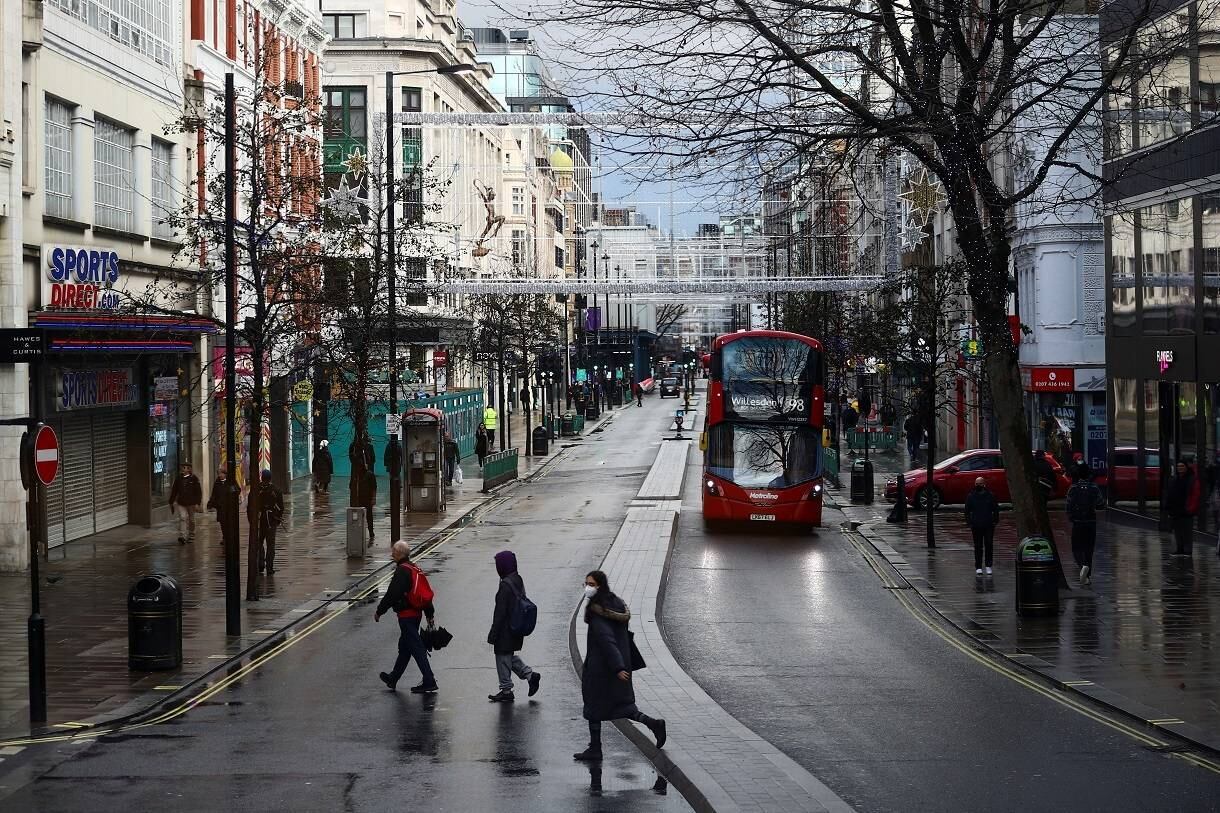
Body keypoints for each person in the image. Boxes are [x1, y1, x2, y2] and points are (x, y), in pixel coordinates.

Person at [574, 570, 666, 761]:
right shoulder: (615, 603)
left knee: (594, 706)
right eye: (586, 584)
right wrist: (621, 665)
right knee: (622, 706)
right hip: (617, 666)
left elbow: (606, 640)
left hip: (602, 669)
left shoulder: (598, 611)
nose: (587, 588)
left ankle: (595, 749)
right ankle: (653, 724)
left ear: (600, 586)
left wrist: (618, 667)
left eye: (591, 584)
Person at [375, 540, 438, 693]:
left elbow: (392, 594)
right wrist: (429, 614)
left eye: (393, 552)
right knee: (405, 648)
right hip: (416, 614)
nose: (392, 554)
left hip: (406, 616)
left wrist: (379, 611)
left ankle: (429, 680)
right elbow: (424, 593)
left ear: (398, 554)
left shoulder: (402, 571)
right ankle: (393, 678)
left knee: (417, 648)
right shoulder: (414, 568)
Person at [487, 551, 541, 703]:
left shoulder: (505, 585)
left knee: (502, 657)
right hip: (516, 625)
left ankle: (506, 690)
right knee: (508, 657)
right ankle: (530, 675)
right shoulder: (517, 578)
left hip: (506, 629)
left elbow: (499, 613)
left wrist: (493, 634)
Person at [1066, 464, 1105, 585]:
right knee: (1089, 548)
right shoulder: (1094, 487)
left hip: (1078, 522)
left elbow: (1068, 505)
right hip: (1091, 522)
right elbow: (1101, 504)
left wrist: (1071, 517)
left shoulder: (1073, 488)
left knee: (1076, 548)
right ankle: (1087, 576)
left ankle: (1083, 565)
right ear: (1089, 474)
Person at [247, 470, 284, 574]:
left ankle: (261, 564)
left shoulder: (255, 490)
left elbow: (250, 507)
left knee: (259, 543)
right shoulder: (276, 490)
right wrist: (277, 519)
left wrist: (251, 520)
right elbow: (281, 507)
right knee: (270, 545)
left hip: (259, 520)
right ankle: (269, 567)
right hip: (271, 521)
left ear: (261, 477)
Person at [964, 476, 1000, 576]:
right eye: (976, 484)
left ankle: (988, 565)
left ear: (984, 484)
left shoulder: (990, 495)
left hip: (988, 524)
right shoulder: (971, 496)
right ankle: (978, 567)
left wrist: (995, 521)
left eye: (979, 484)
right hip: (976, 525)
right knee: (978, 546)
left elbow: (995, 509)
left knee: (989, 545)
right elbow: (967, 511)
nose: (978, 486)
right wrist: (969, 522)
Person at [1166, 460, 1201, 558]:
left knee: (1187, 531)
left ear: (1186, 467)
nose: (1180, 468)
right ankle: (1180, 549)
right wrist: (1169, 507)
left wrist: (1191, 508)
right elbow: (1170, 493)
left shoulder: (1192, 479)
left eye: (1182, 466)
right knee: (1178, 531)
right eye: (1178, 466)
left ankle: (1187, 550)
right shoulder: (1175, 479)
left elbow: (1196, 495)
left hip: (1186, 509)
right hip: (1176, 509)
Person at [168, 462, 203, 545]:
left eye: (185, 467)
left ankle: (191, 534)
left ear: (189, 469)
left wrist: (198, 503)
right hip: (181, 502)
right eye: (183, 467)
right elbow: (174, 490)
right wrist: (171, 501)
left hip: (191, 503)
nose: (183, 469)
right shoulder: (178, 478)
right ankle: (182, 536)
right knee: (183, 518)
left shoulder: (194, 478)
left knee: (191, 520)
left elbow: (198, 492)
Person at [359, 468, 377, 544]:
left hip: (367, 499)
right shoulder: (357, 475)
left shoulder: (370, 474)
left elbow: (374, 487)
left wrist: (373, 498)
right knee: (360, 517)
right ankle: (361, 532)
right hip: (359, 499)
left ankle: (371, 532)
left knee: (369, 516)